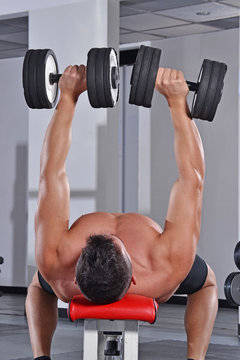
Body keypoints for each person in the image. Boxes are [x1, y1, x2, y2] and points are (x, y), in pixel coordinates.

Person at [26, 63, 218, 360]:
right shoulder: (169, 265)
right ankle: (196, 358)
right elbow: (192, 178)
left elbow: (51, 173)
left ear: (75, 277)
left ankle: (41, 356)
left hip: (64, 273)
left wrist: (67, 96)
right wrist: (178, 103)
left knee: (39, 286)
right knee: (207, 283)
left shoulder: (53, 261)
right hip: (162, 268)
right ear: (134, 281)